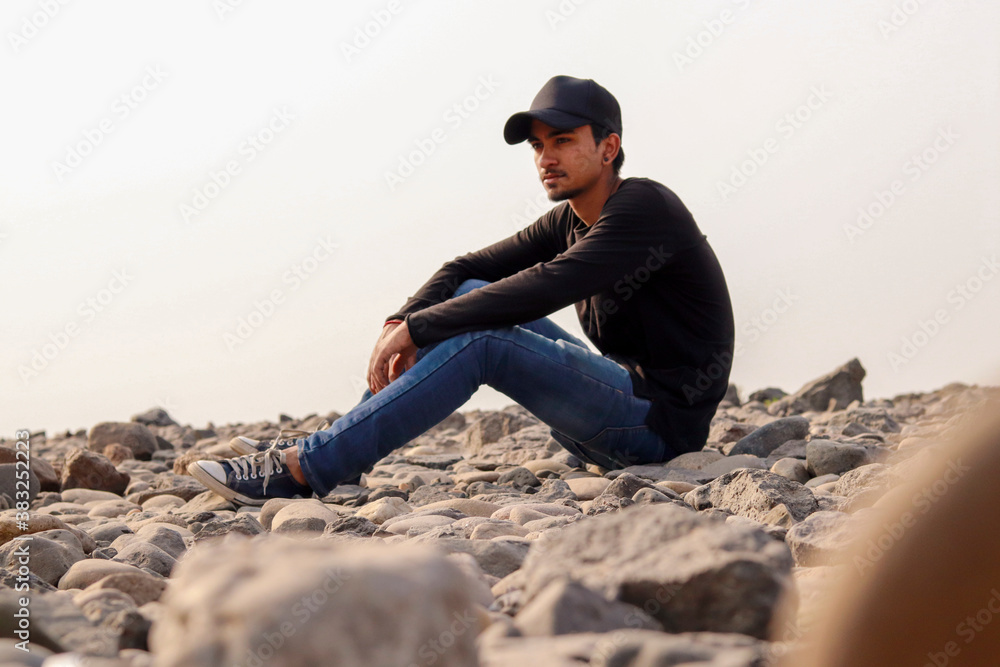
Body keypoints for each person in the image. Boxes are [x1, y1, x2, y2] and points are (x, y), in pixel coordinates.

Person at [188, 75, 736, 506]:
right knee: (471, 290)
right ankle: (340, 447)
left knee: (481, 340)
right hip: (610, 413)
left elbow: (546, 286)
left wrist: (420, 328)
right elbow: (467, 267)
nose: (546, 158)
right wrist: (401, 320)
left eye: (564, 142)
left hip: (657, 431)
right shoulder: (569, 219)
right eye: (539, 146)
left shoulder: (644, 208)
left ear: (609, 146)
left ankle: (306, 469)